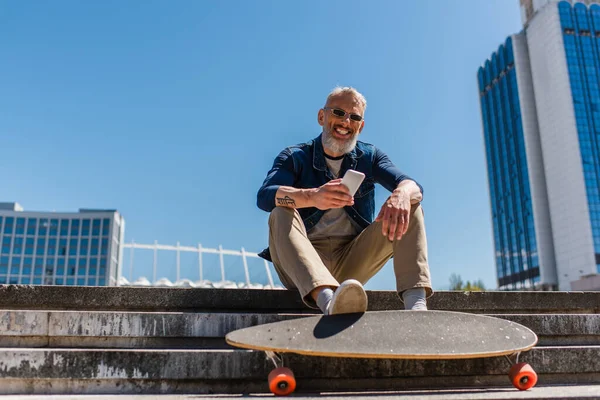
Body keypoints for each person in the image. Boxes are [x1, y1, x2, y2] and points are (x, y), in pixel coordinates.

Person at [257, 86, 432, 315]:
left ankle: (416, 306)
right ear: (322, 116)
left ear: (361, 125)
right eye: (338, 113)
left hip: (352, 260)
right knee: (280, 211)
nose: (345, 122)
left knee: (409, 203)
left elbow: (412, 185)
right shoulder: (295, 156)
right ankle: (328, 301)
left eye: (354, 117)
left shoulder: (370, 157)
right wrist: (312, 196)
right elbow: (265, 196)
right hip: (301, 264)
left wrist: (401, 194)